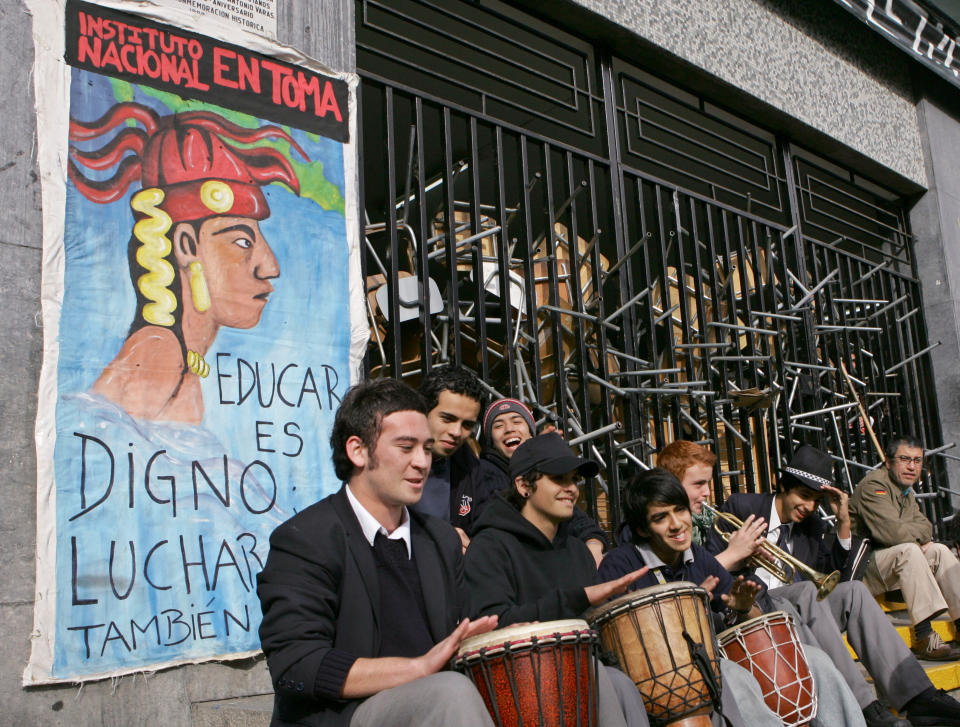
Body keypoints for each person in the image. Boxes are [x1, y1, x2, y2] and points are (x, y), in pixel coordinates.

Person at [466, 434, 780, 727]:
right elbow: (490, 626)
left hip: (590, 671)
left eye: (574, 480)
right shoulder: (491, 545)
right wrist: (582, 597)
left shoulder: (576, 550)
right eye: (558, 479)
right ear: (523, 485)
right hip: (528, 685)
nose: (572, 488)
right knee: (615, 682)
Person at [256, 378, 498, 727]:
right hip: (345, 716)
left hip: (437, 703)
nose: (422, 462)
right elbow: (295, 665)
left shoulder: (441, 540)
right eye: (406, 447)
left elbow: (462, 636)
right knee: (451, 691)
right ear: (357, 450)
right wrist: (417, 669)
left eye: (427, 449)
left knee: (600, 675)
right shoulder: (306, 539)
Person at [68, 103, 305, 423]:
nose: (269, 266)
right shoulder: (159, 350)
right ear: (186, 245)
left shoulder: (179, 355)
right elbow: (99, 442)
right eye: (242, 242)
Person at [700, 442, 960, 727]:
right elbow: (710, 569)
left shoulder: (812, 526)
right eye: (803, 496)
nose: (809, 507)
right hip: (754, 609)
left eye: (815, 500)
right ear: (782, 486)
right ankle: (866, 706)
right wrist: (742, 556)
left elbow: (838, 579)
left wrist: (844, 522)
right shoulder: (742, 507)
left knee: (855, 594)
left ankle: (919, 696)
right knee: (807, 592)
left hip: (800, 608)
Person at [599, 468, 868, 727]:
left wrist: (743, 607)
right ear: (643, 529)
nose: (676, 524)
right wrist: (686, 606)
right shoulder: (619, 565)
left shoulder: (697, 555)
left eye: (679, 510)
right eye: (660, 518)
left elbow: (753, 621)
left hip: (713, 657)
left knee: (814, 659)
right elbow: (615, 645)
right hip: (669, 677)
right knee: (733, 676)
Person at [851, 434, 960, 661]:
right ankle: (924, 637)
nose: (912, 466)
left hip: (893, 563)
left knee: (939, 550)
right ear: (889, 462)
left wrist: (912, 535)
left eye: (917, 460)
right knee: (910, 551)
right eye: (905, 459)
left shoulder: (905, 491)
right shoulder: (874, 485)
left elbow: (927, 528)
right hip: (863, 568)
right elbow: (893, 534)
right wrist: (913, 536)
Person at [480, 396, 609, 564]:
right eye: (498, 425)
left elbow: (579, 521)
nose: (509, 429)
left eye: (517, 421)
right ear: (522, 485)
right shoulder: (483, 472)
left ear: (531, 432)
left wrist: (593, 542)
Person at [410, 365, 503, 551]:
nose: (456, 432)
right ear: (422, 411)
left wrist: (474, 548)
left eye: (467, 425)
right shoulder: (388, 459)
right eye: (447, 419)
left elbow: (488, 528)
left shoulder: (470, 468)